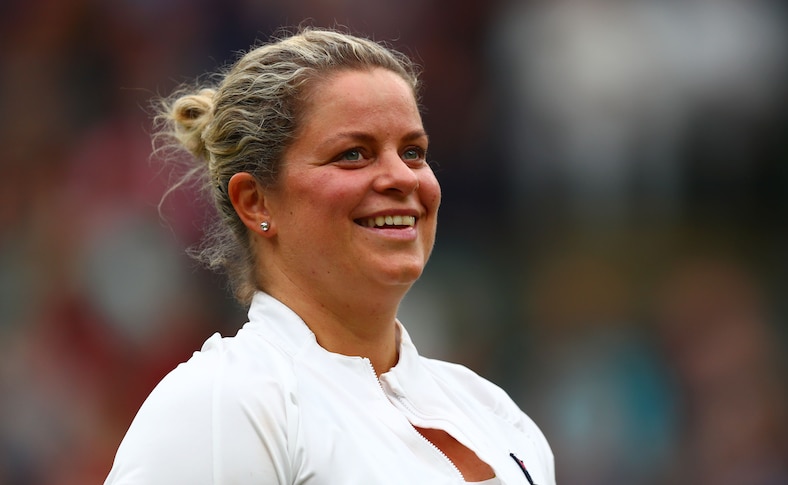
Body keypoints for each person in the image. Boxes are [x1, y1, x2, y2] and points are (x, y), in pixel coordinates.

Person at [104, 27, 555, 484]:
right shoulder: (226, 404)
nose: (403, 177)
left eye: (413, 152)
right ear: (255, 201)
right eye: (354, 154)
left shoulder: (494, 411)